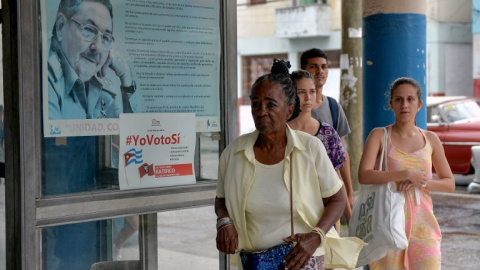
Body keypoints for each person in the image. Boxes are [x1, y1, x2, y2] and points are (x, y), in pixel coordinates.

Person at [215, 59, 364, 270]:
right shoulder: (234, 153)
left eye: (270, 104)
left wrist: (316, 236)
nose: (261, 110)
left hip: (302, 259)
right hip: (254, 262)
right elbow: (221, 198)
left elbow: (337, 199)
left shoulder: (310, 148)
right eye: (256, 103)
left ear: (289, 109)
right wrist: (224, 221)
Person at [358, 77, 455, 269]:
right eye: (399, 99)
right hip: (387, 224)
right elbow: (364, 175)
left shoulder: (431, 139)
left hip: (424, 225)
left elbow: (449, 183)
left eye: (410, 99)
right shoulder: (379, 135)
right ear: (391, 104)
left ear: (419, 104)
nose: (405, 105)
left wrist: (421, 181)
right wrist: (404, 174)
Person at [48, 0, 136, 120]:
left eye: (105, 37)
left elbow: (132, 134)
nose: (98, 47)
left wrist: (127, 82)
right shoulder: (43, 78)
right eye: (89, 30)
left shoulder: (101, 89)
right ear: (61, 26)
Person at [287, 70, 352, 226]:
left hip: (327, 214)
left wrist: (350, 217)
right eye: (301, 92)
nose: (308, 98)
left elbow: (336, 177)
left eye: (312, 91)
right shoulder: (281, 133)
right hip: (291, 214)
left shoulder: (327, 132)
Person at [300, 48, 354, 210]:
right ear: (304, 70)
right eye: (313, 67)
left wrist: (349, 193)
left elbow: (341, 155)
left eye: (324, 67)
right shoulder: (292, 110)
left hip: (331, 193)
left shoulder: (333, 107)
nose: (320, 71)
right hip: (302, 191)